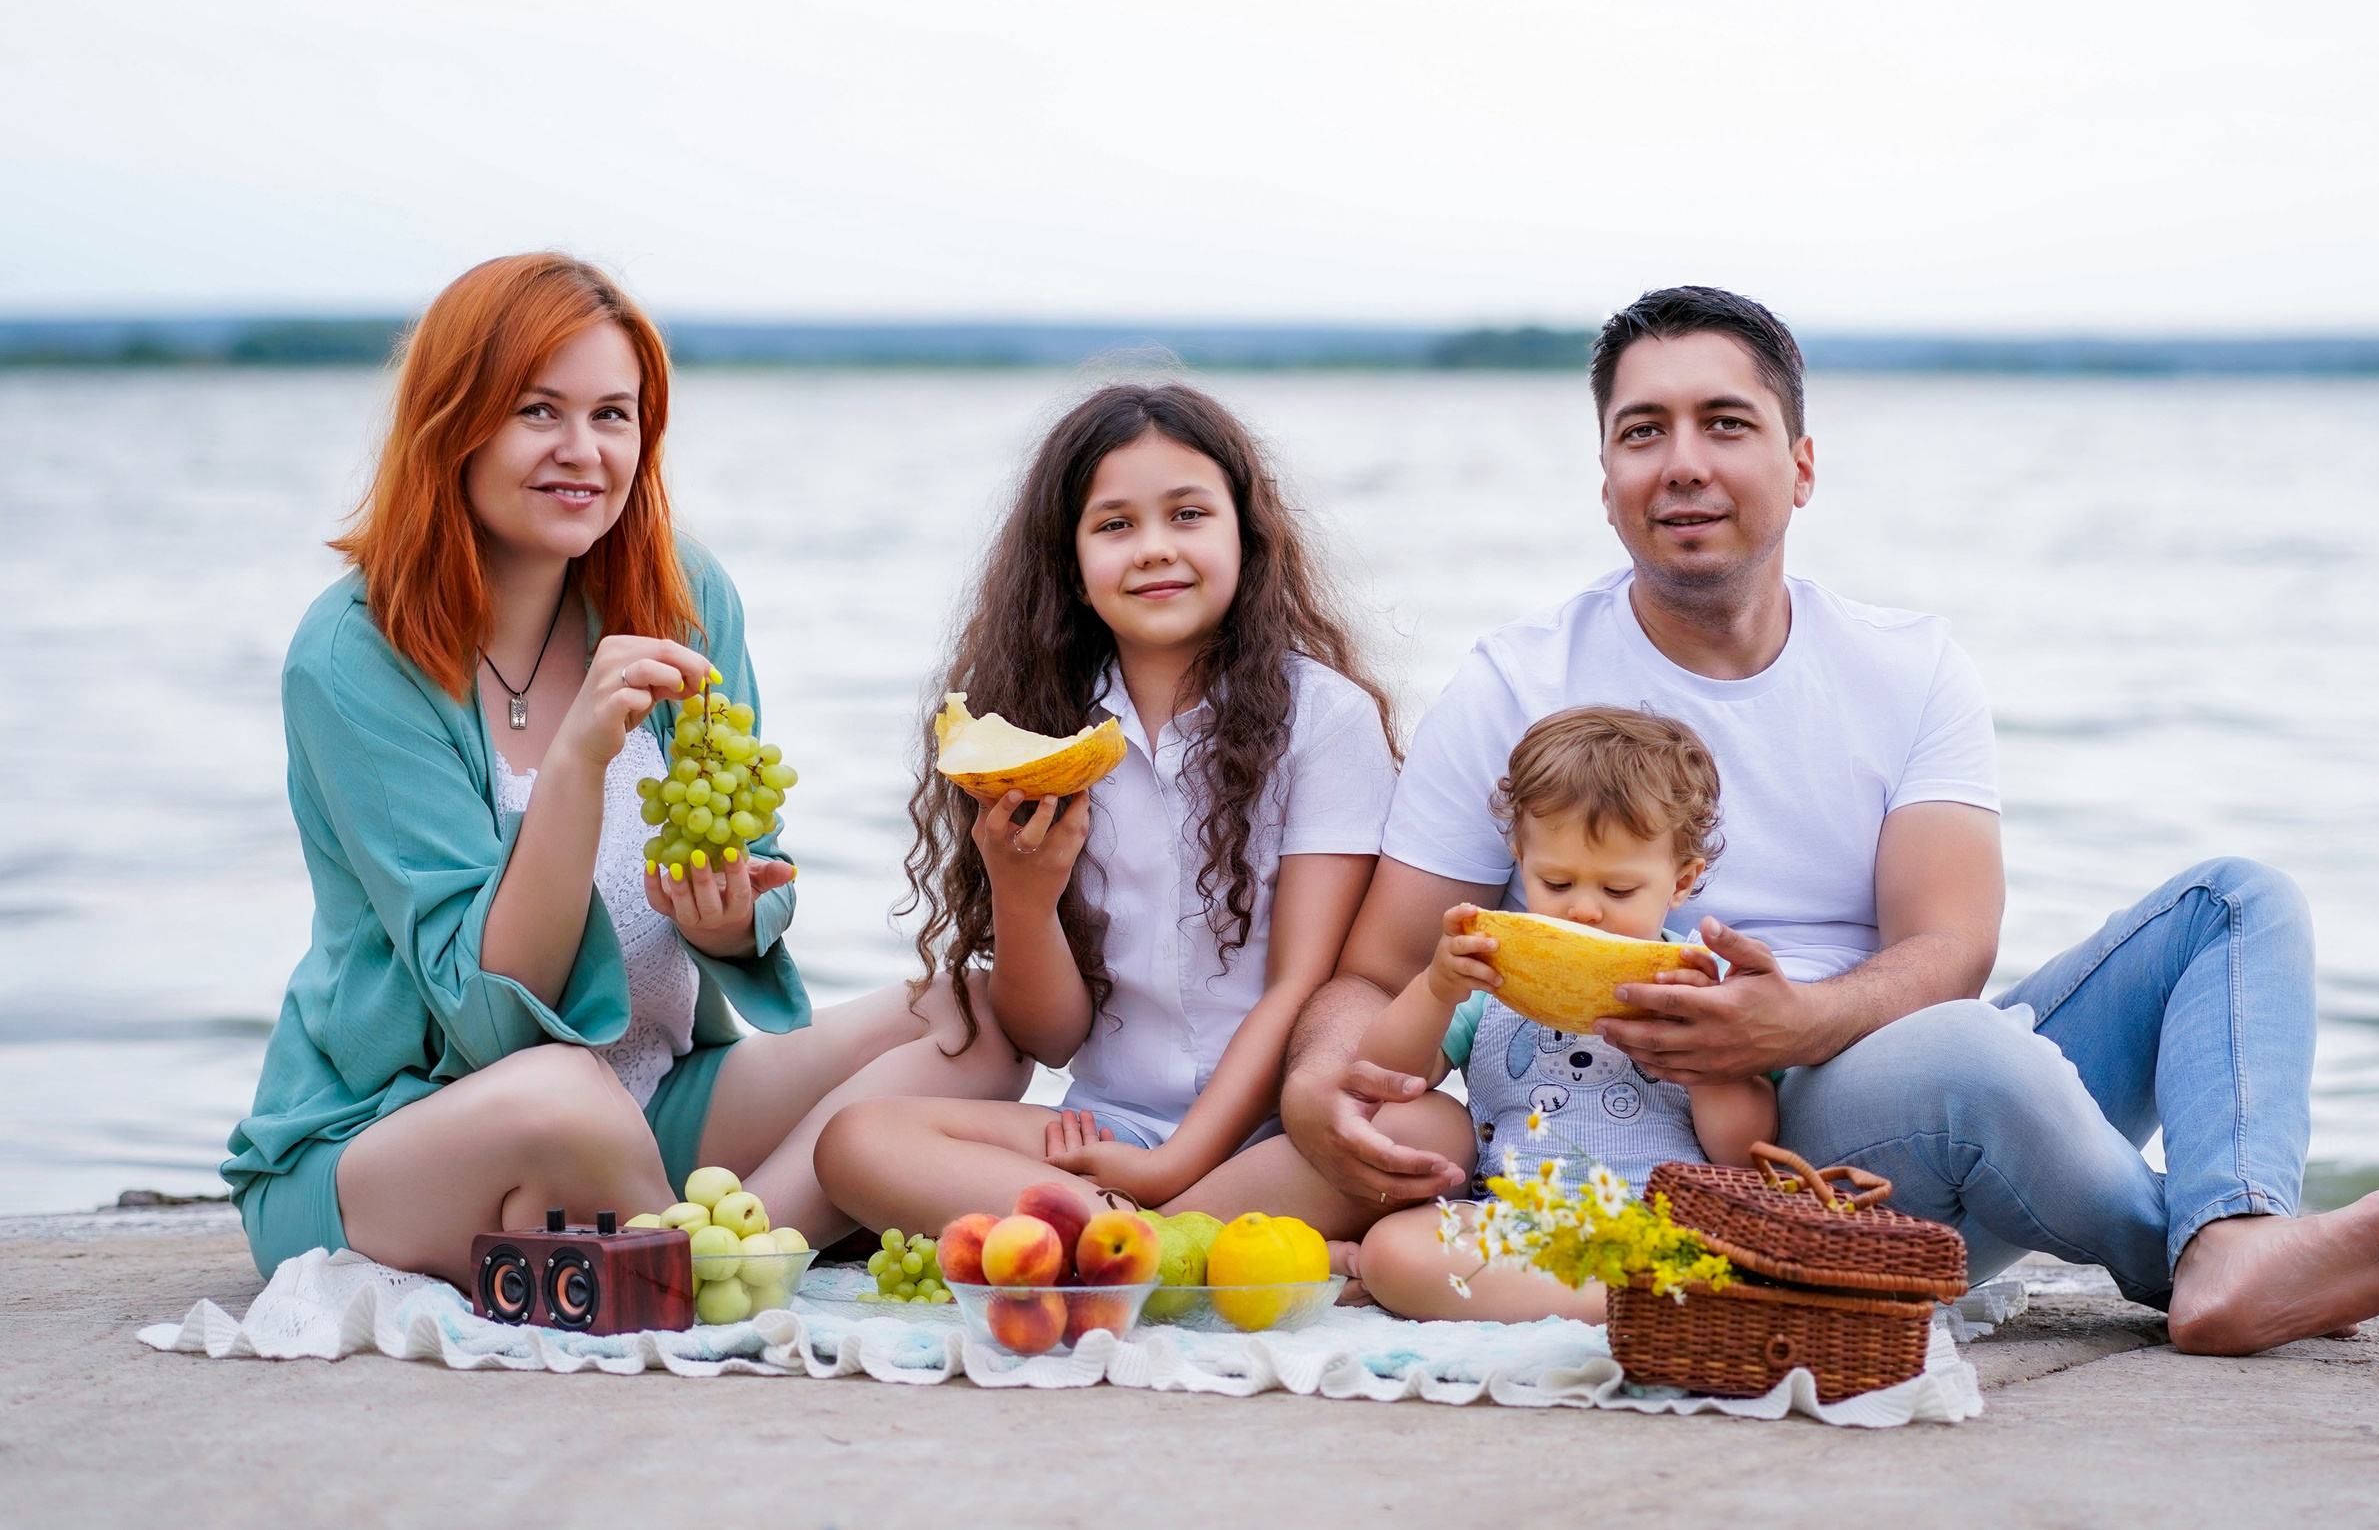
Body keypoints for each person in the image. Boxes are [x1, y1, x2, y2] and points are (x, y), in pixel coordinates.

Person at [1281, 284, 2379, 1355]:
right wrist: (1322, 1090)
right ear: (1605, 484)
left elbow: (1950, 949)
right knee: (1976, 1055)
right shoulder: (1515, 684)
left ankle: (2241, 1228)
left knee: (2234, 902)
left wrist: (1788, 1018)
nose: (1681, 463)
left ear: (1800, 466)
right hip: (1728, 1168)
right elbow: (1381, 965)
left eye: (1724, 424)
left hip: (1878, 1096)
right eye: (1642, 433)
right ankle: (2195, 1257)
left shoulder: (1907, 666)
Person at [222, 253, 1027, 1286]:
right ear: (453, 421)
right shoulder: (351, 657)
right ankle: (712, 1255)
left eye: (613, 415)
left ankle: (724, 1253)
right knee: (563, 1095)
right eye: (537, 412)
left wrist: (726, 920)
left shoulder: (681, 592)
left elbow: (750, 861)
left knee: (975, 1018)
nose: (582, 452)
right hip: (410, 1129)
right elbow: (491, 1018)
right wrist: (575, 763)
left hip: (654, 1099)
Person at [812, 382, 1398, 1233]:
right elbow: (1052, 1039)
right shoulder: (1036, 736)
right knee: (859, 1142)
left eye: (1188, 514)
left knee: (1433, 1130)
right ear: (1074, 571)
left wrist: (1175, 1165)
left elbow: (1300, 984)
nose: (1154, 548)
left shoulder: (1325, 717)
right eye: (1115, 525)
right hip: (1104, 1132)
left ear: (1249, 537)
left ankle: (1128, 1232)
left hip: (1279, 1132)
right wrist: (1022, 894)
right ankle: (1177, 1244)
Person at [1353, 706, 1776, 1321]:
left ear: (1681, 881)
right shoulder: (1496, 980)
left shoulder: (1704, 990)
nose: (1583, 912)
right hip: (1518, 1224)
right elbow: (1385, 1075)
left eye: (1617, 891)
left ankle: (1649, 1290)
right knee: (1393, 1250)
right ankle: (1642, 1304)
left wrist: (1705, 1057)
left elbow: (1748, 1154)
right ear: (1519, 861)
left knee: (1734, 1243)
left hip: (1659, 1229)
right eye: (1555, 882)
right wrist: (1436, 987)